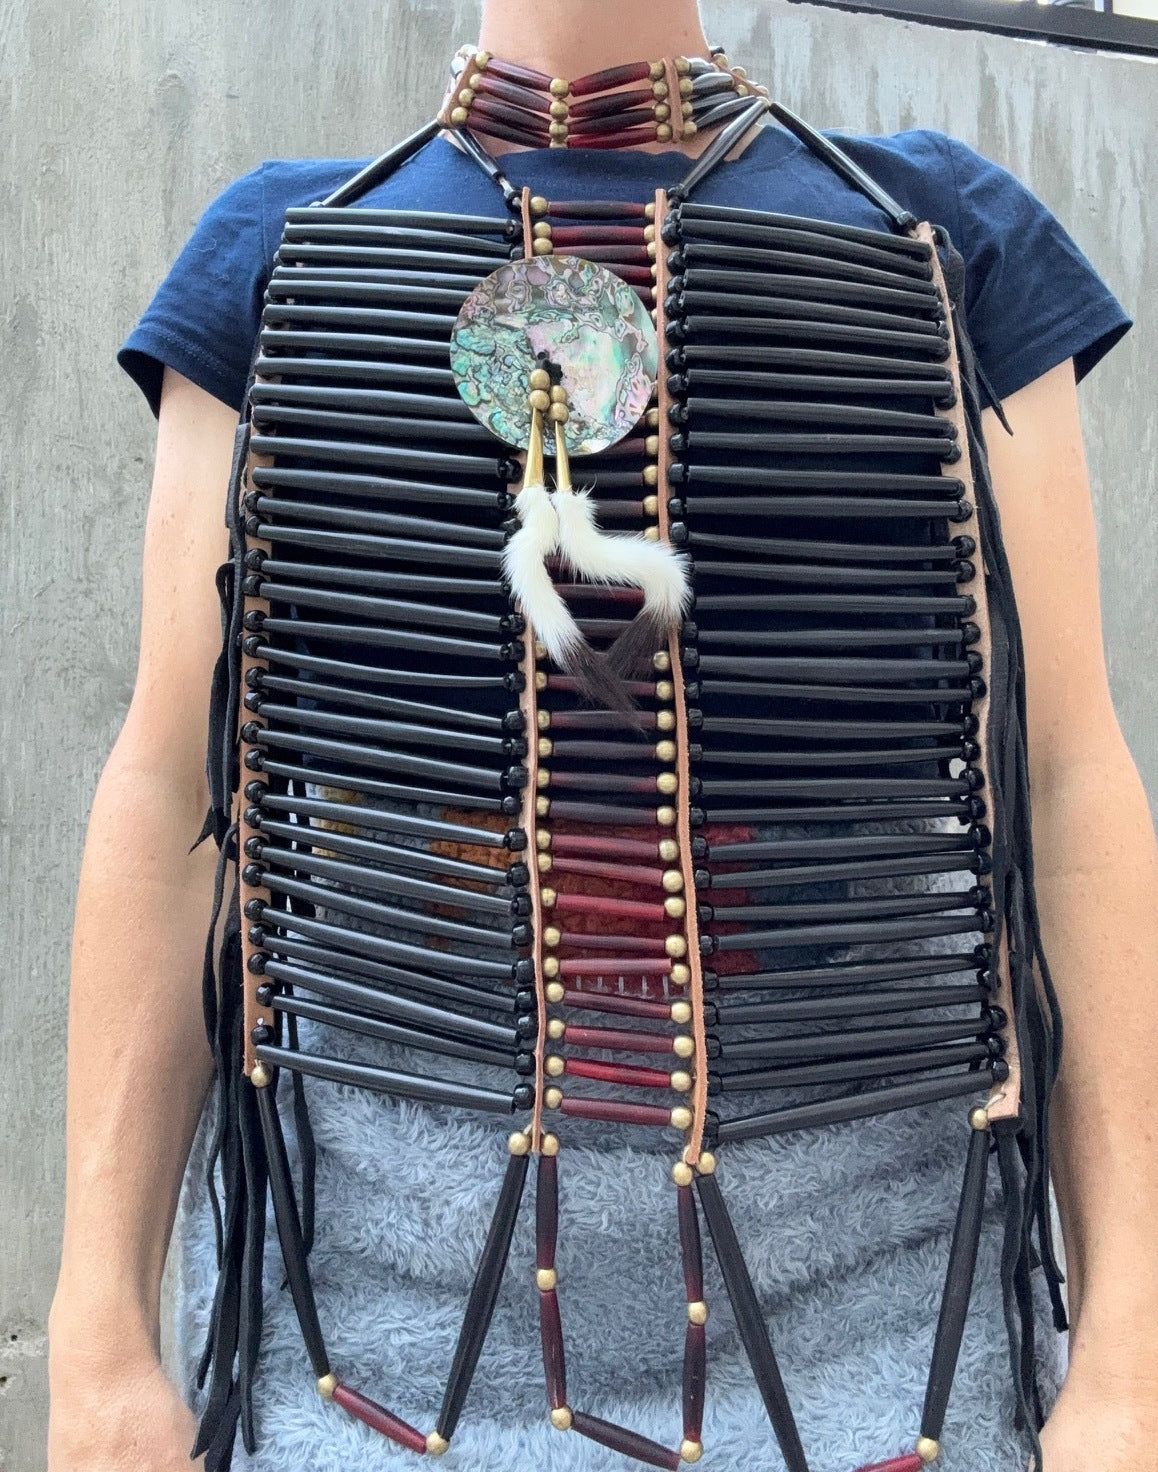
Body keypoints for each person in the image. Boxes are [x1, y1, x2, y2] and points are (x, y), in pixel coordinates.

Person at [46, 2, 1158, 1469]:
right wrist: (99, 1330)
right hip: (358, 1335)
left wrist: (1131, 1351)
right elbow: (178, 785)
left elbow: (1060, 777)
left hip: (890, 1312)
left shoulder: (936, 239)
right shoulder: (291, 248)